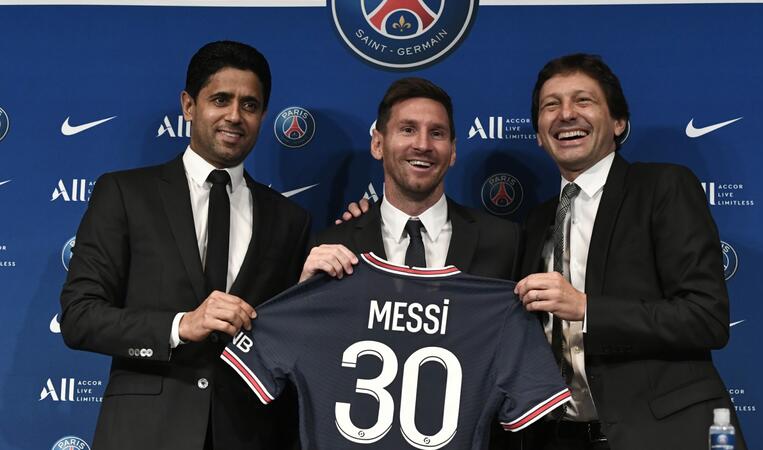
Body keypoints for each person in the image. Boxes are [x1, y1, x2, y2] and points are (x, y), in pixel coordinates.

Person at [59, 41, 309, 450]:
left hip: (250, 434)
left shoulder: (290, 220)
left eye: (249, 105)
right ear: (189, 106)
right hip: (144, 435)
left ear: (264, 116)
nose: (235, 116)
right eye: (220, 100)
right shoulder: (125, 194)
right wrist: (180, 326)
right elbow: (79, 317)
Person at [515, 53, 746, 450]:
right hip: (561, 438)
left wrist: (586, 308)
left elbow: (706, 317)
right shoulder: (536, 221)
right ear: (538, 133)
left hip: (664, 436)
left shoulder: (662, 187)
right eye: (551, 105)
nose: (566, 114)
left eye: (583, 101)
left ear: (619, 122)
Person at [300, 77, 523, 449]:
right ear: (378, 144)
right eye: (407, 129)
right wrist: (302, 295)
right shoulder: (332, 245)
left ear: (453, 151)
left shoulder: (504, 241)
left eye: (437, 133)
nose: (422, 144)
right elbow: (311, 362)